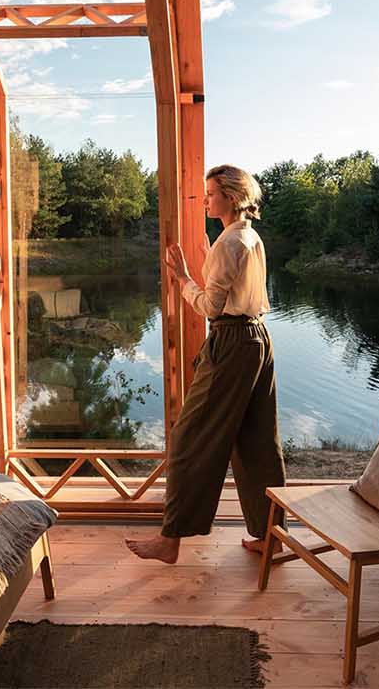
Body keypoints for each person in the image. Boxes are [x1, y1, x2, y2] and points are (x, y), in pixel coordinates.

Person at [126, 164, 286, 565]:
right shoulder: (247, 236)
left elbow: (212, 308)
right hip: (257, 341)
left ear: (230, 197)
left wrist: (181, 277)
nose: (206, 200)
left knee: (188, 439)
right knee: (257, 443)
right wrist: (204, 257)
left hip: (232, 343)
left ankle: (171, 540)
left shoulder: (231, 244)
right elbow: (230, 290)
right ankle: (272, 536)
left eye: (211, 193)